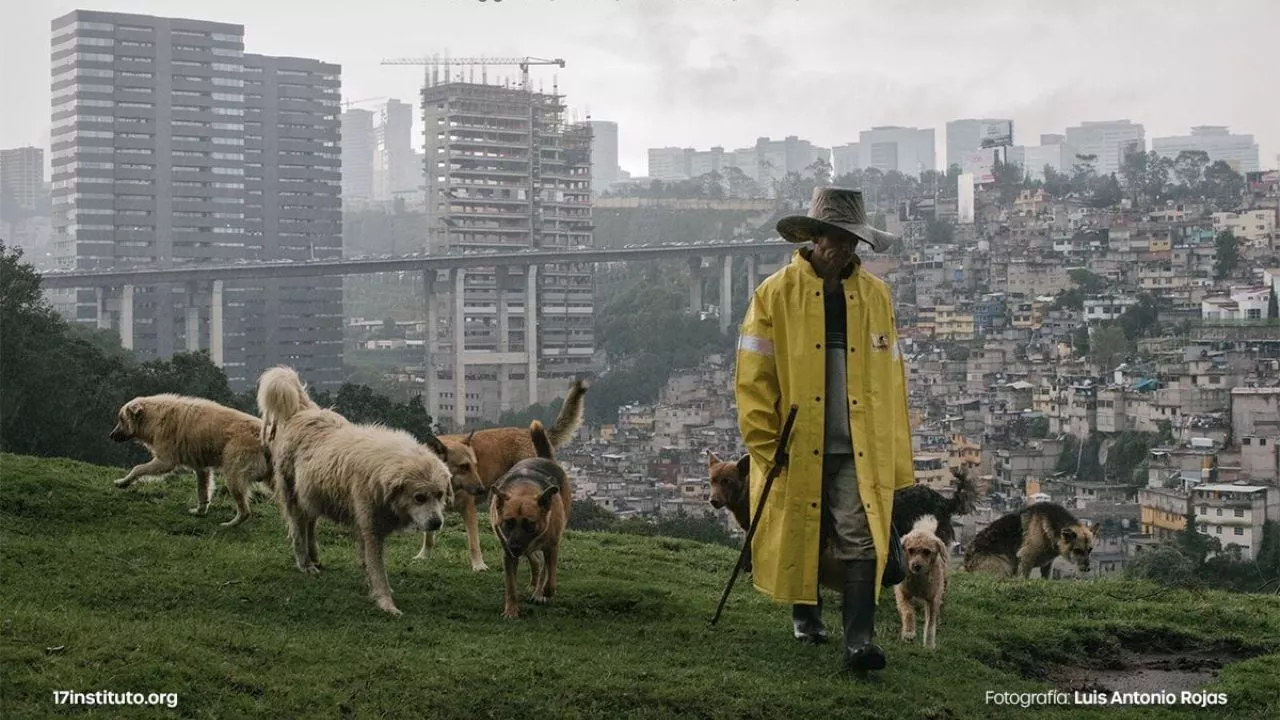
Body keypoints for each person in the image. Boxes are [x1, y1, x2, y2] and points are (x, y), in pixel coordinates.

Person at [734, 187, 915, 672]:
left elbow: (892, 380)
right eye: (839, 239)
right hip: (798, 442)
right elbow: (753, 380)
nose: (847, 250)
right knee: (804, 533)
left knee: (859, 537)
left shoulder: (876, 297)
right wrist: (766, 444)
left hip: (859, 446)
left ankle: (858, 643)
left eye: (854, 241)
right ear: (814, 238)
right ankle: (806, 617)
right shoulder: (774, 295)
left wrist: (894, 452)